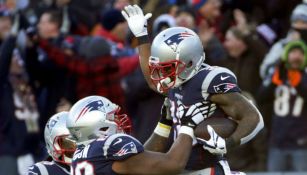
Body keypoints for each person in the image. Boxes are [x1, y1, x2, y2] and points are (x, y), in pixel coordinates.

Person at [121, 4, 264, 174]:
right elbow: (152, 81)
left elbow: (253, 117)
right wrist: (142, 36)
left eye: (167, 68)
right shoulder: (177, 82)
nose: (161, 74)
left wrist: (229, 142)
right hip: (182, 166)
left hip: (209, 169)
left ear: (189, 63)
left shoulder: (208, 80)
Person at [67, 95, 206, 175]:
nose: (118, 119)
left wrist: (165, 123)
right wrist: (188, 124)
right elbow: (174, 164)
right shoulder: (109, 145)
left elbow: (143, 159)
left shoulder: (81, 154)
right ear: (98, 124)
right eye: (113, 117)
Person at [258, 40, 307, 171]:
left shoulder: (305, 77)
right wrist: (274, 82)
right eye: (293, 52)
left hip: (301, 143)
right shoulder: (277, 74)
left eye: (300, 53)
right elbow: (261, 98)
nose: (296, 56)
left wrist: (299, 83)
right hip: (277, 141)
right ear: (286, 55)